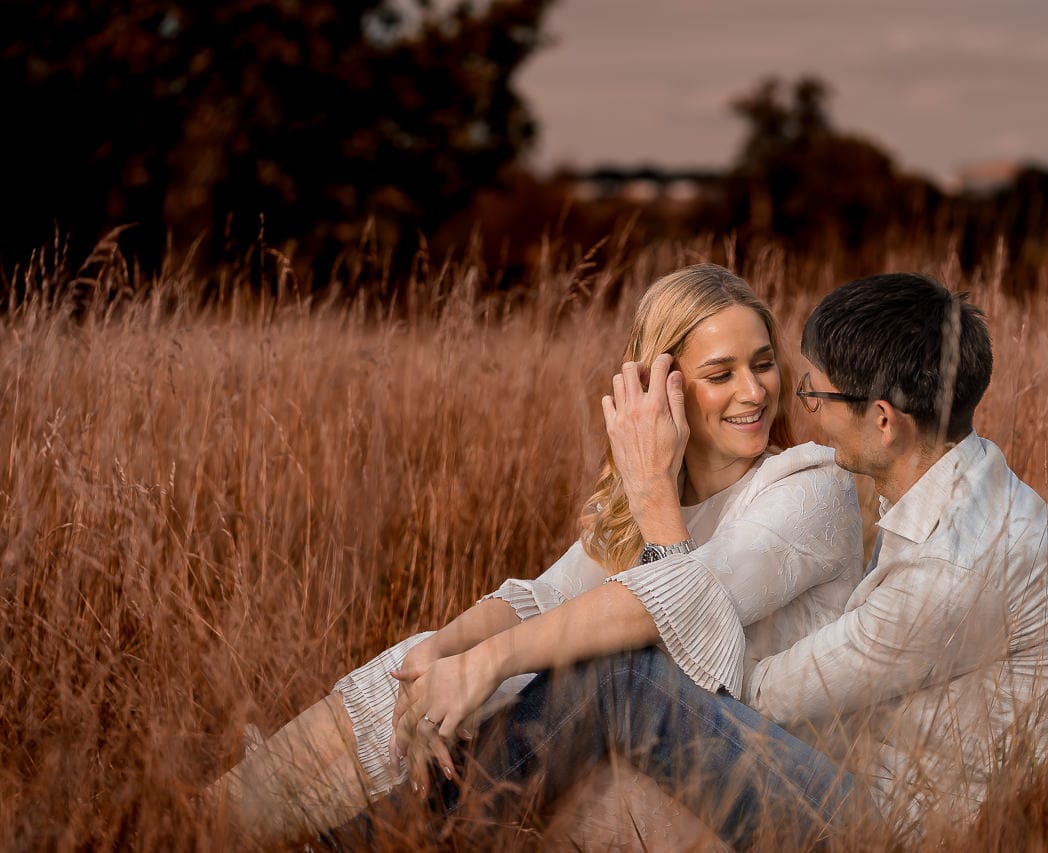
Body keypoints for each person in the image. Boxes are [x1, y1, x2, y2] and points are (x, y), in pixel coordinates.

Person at [388, 271, 1048, 847]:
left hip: (884, 827)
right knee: (608, 671)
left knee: (622, 679)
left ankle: (408, 838)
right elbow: (552, 594)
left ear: (885, 421)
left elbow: (739, 695)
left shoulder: (949, 569)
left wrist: (653, 503)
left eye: (814, 392)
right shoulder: (961, 483)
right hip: (894, 774)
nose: (797, 408)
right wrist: (462, 652)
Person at [203, 263, 866, 844]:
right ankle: (240, 806)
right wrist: (444, 655)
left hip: (784, 787)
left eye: (763, 363)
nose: (755, 391)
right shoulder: (659, 500)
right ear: (660, 385)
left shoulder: (810, 488)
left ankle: (367, 833)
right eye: (722, 373)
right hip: (677, 767)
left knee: (602, 673)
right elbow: (538, 599)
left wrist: (650, 487)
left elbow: (662, 615)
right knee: (435, 648)